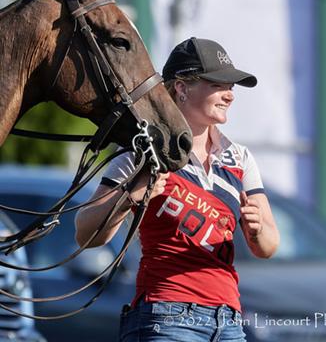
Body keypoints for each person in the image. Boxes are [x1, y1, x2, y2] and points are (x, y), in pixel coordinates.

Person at [75, 37, 280, 342]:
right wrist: (131, 193)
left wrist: (256, 229)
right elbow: (85, 233)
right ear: (182, 88)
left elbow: (268, 246)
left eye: (232, 87)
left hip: (229, 321)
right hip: (166, 318)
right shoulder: (141, 151)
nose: (230, 96)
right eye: (218, 84)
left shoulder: (239, 158)